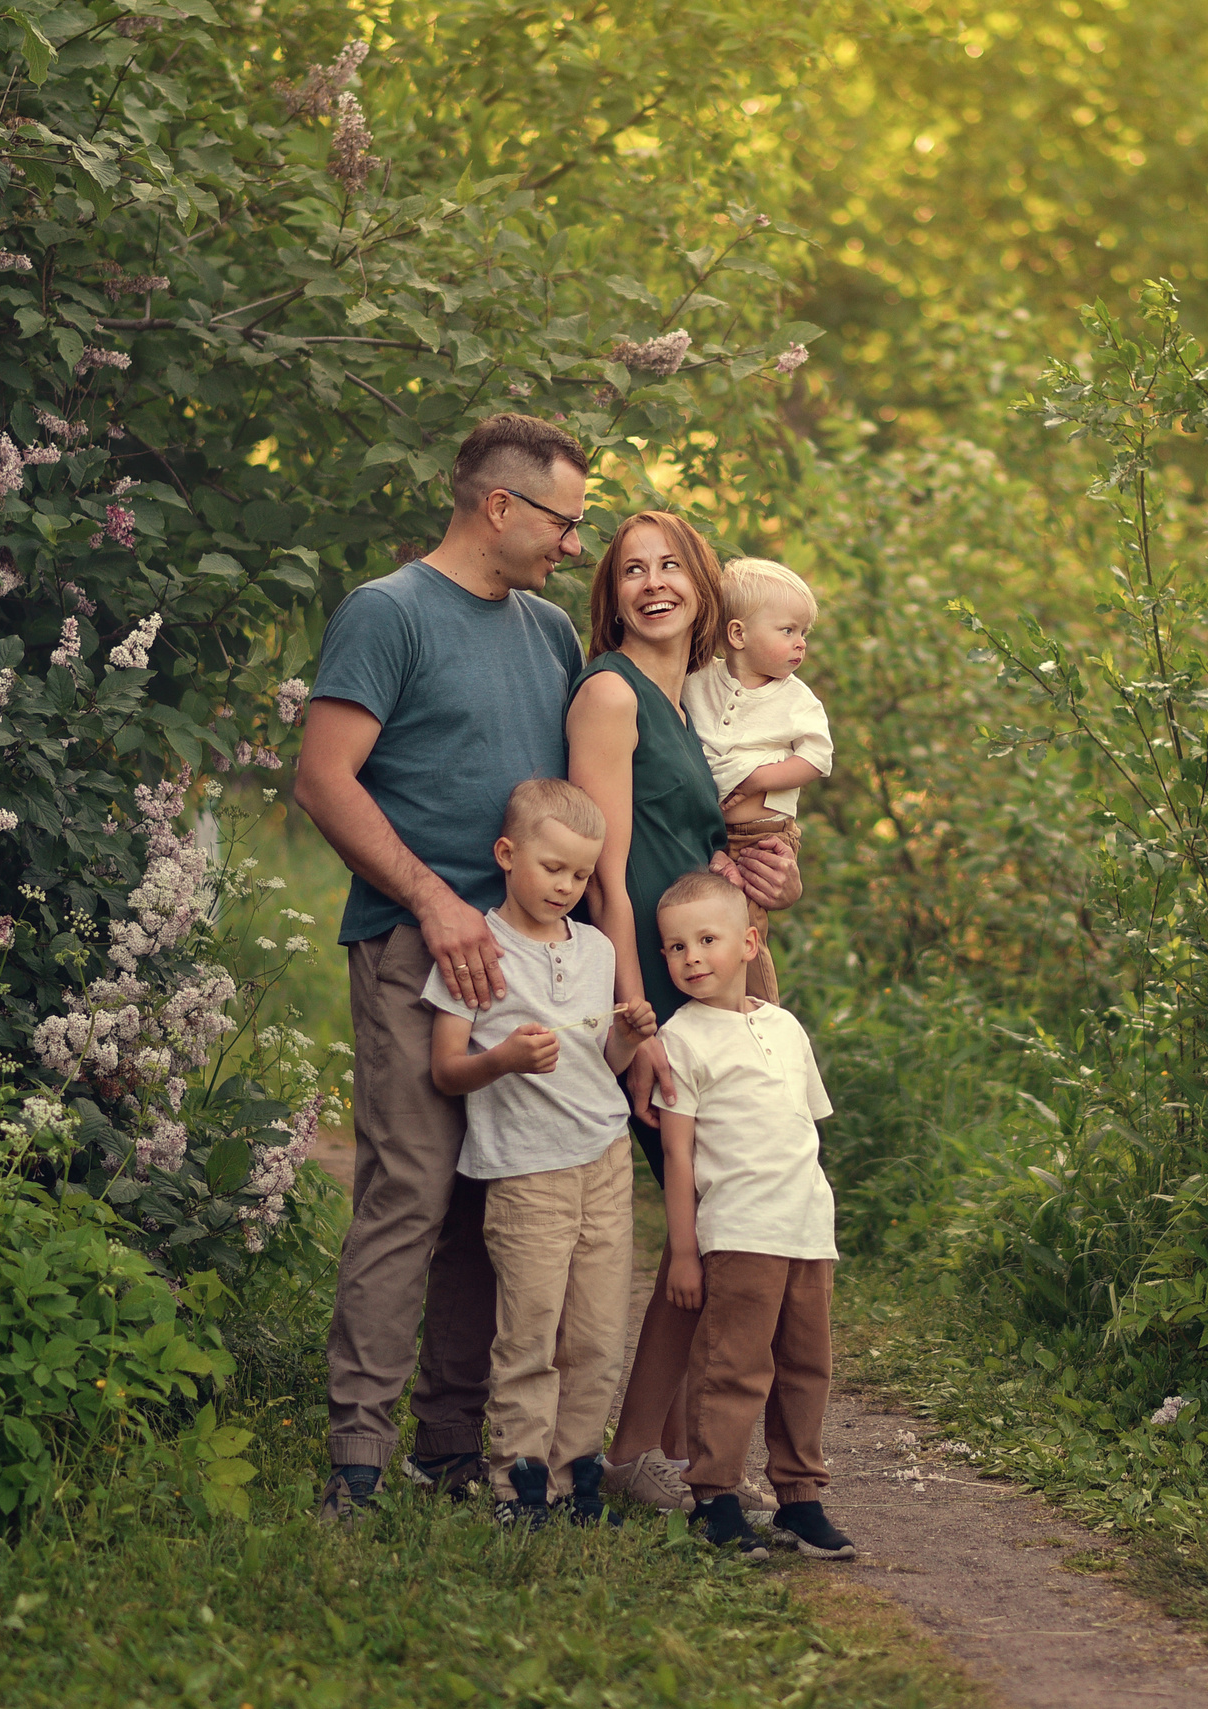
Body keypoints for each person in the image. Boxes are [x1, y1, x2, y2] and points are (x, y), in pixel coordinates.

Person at [294, 413, 591, 1522]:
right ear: (498, 506)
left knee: (493, 1194)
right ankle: (357, 1459)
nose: (574, 542)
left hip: (528, 952)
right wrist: (432, 899)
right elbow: (325, 779)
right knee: (410, 1190)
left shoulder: (552, 632)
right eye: (564, 518)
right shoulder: (388, 612)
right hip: (417, 941)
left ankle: (452, 1444)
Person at [565, 510, 801, 1514]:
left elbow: (735, 829)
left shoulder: (704, 698)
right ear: (610, 592)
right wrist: (636, 1023)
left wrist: (767, 872)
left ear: (704, 585)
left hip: (726, 978)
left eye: (671, 566)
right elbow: (603, 879)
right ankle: (637, 1454)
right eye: (631, 569)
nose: (653, 582)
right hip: (657, 990)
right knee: (696, 1214)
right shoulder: (611, 694)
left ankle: (674, 1447)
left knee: (739, 1209)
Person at [424, 778, 655, 1530]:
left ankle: (576, 1481)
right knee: (530, 1334)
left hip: (604, 1156)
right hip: (527, 1172)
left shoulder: (594, 948)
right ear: (507, 853)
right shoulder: (475, 948)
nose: (567, 885)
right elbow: (446, 1069)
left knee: (594, 1335)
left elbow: (604, 1061)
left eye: (581, 874)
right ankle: (519, 1487)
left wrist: (629, 1032)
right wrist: (504, 1060)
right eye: (552, 867)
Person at [650, 868, 855, 1561]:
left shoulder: (784, 1026)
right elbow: (677, 1154)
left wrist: (817, 1220)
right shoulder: (682, 1036)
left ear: (749, 942)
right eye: (675, 947)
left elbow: (805, 1127)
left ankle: (800, 1498)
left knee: (806, 1367)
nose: (691, 958)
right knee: (733, 1366)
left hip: (805, 1229)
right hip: (739, 1230)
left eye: (706, 939)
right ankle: (715, 1497)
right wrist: (684, 1249)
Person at [682, 557, 832, 1004]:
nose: (800, 644)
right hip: (710, 834)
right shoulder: (700, 679)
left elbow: (818, 757)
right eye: (788, 631)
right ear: (738, 635)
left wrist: (757, 781)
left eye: (804, 633)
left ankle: (763, 1017)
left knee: (744, 934)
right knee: (704, 931)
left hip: (763, 839)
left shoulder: (795, 699)